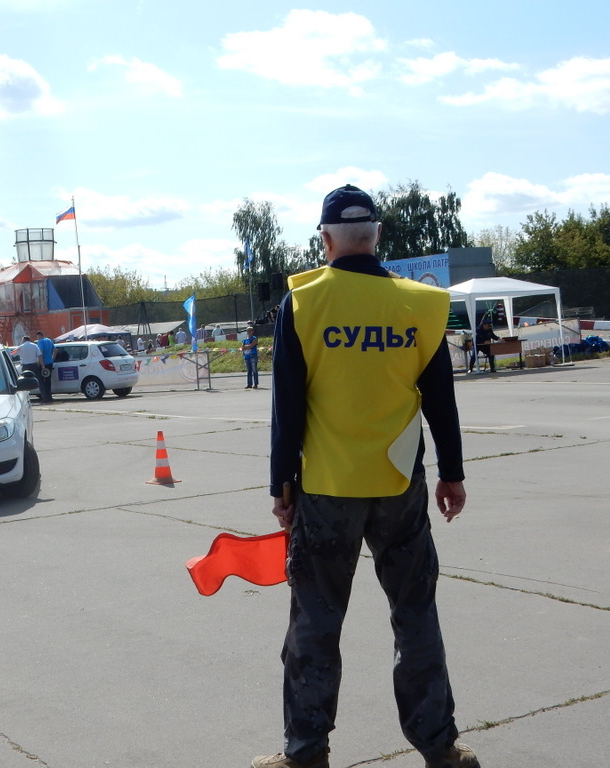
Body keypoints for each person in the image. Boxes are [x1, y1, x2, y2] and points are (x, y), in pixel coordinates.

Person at [255, 185, 477, 768]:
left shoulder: (304, 303)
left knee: (316, 624)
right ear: (377, 235)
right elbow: (441, 402)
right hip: (400, 487)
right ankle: (440, 746)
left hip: (328, 488)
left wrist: (282, 487)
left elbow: (288, 407)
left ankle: (305, 754)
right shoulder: (421, 305)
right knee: (415, 614)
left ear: (325, 240)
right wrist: (451, 475)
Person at [35, 330, 55, 403]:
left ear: (39, 336)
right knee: (48, 380)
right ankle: (49, 396)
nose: (37, 338)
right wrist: (52, 358)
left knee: (42, 381)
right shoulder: (49, 340)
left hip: (44, 363)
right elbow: (55, 350)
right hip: (50, 362)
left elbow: (41, 353)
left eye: (37, 337)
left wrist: (41, 364)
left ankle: (45, 397)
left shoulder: (40, 342)